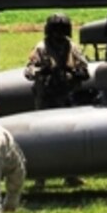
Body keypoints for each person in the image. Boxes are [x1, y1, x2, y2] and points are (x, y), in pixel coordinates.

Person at [24, 13, 90, 187]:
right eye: (56, 31)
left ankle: (70, 175)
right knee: (42, 138)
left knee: (70, 138)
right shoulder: (41, 48)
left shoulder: (71, 47)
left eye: (62, 31)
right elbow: (29, 71)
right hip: (46, 98)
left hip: (66, 97)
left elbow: (84, 68)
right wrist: (42, 71)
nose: (59, 35)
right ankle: (41, 177)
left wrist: (78, 73)